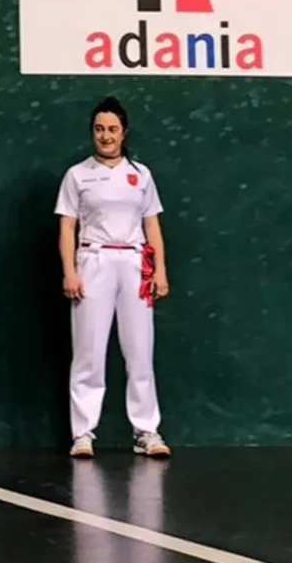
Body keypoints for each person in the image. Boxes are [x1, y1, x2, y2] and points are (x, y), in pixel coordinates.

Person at [55, 95, 171, 459]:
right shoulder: (77, 175)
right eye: (99, 129)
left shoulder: (142, 175)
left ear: (124, 133)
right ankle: (83, 433)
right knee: (88, 352)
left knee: (140, 351)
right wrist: (70, 271)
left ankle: (146, 431)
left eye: (113, 129)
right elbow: (67, 227)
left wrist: (161, 270)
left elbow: (152, 224)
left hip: (135, 265)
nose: (106, 136)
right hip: (93, 262)